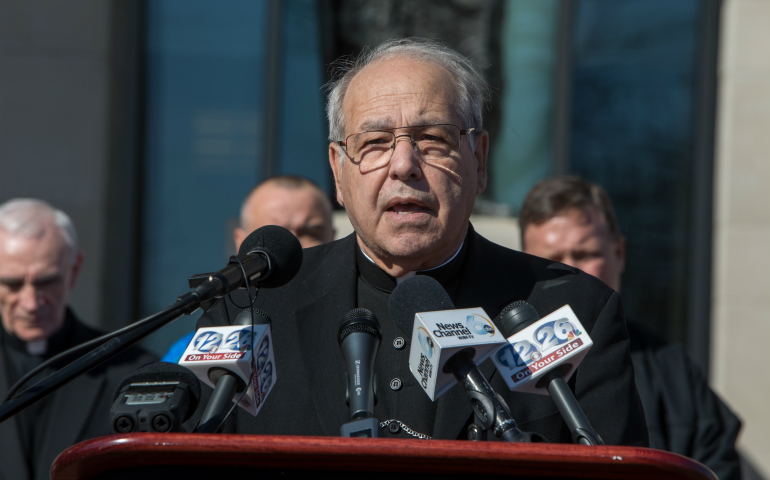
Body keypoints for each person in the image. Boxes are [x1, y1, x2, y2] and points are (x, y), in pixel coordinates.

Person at [194, 37, 648, 445]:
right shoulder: (250, 311)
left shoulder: (573, 311)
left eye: (433, 139)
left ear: (480, 160)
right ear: (337, 170)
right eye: (374, 142)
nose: (403, 165)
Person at [519, 176, 741, 479]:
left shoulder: (674, 371)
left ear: (619, 253)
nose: (570, 273)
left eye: (585, 255)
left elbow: (717, 467)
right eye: (550, 261)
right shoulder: (498, 369)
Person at [0, 199, 156, 480]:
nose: (31, 302)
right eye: (12, 283)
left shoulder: (131, 374)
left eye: (46, 282)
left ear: (74, 270)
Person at [162, 175, 335, 363]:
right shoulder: (197, 350)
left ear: (334, 238)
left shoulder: (356, 331)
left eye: (310, 233)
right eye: (275, 236)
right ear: (240, 242)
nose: (293, 248)